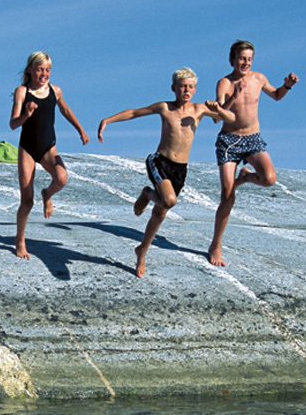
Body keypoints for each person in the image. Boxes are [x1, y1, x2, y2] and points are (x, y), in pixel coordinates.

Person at [97, 68, 235, 278]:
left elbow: (229, 119)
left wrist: (219, 108)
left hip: (180, 170)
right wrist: (108, 120)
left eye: (190, 86)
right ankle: (147, 193)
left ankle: (142, 250)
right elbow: (135, 112)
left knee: (160, 212)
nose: (186, 90)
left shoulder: (199, 109)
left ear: (195, 89)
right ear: (174, 88)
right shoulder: (165, 107)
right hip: (159, 162)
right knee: (169, 201)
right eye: (182, 86)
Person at [208, 40, 298, 267]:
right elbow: (218, 116)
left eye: (249, 59)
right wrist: (232, 97)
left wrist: (286, 86)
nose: (245, 63)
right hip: (229, 141)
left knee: (269, 179)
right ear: (232, 59)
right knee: (227, 197)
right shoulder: (225, 83)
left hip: (253, 139)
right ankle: (215, 245)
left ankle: (245, 176)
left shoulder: (258, 78)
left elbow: (276, 95)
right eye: (241, 58)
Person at [9, 51, 89, 259]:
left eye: (47, 70)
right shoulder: (22, 92)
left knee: (62, 178)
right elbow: (13, 124)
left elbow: (66, 111)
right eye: (39, 69)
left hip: (47, 148)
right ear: (30, 70)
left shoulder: (55, 90)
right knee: (27, 201)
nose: (44, 74)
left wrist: (80, 130)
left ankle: (47, 194)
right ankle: (20, 239)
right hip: (27, 148)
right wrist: (26, 114)